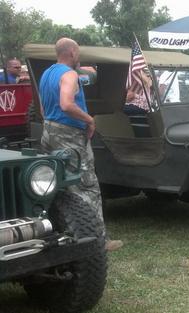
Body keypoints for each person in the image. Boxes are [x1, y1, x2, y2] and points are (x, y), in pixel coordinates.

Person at [38, 38, 122, 251]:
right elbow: (66, 104)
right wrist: (89, 119)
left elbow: (42, 109)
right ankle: (97, 241)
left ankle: (60, 232)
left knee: (56, 184)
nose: (79, 57)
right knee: (86, 186)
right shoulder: (70, 74)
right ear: (73, 53)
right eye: (78, 53)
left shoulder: (47, 74)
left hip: (48, 131)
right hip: (70, 135)